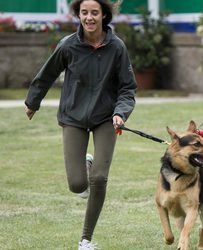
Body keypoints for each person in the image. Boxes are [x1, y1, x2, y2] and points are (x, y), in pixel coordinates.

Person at [24, 0, 137, 249]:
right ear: (78, 14)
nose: (88, 18)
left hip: (106, 118)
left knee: (99, 178)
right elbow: (47, 74)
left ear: (104, 15)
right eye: (84, 12)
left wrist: (121, 113)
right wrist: (33, 101)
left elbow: (128, 88)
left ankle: (86, 239)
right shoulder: (68, 45)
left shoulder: (117, 47)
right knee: (77, 185)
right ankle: (85, 166)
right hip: (73, 117)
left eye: (94, 13)